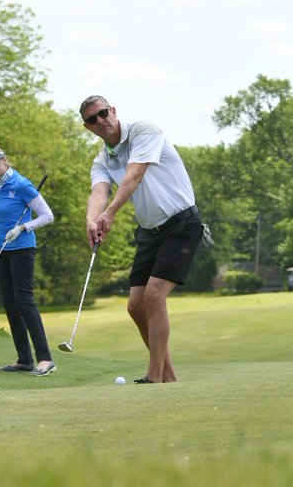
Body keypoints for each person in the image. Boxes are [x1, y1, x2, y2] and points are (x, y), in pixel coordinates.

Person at [80, 95, 208, 383]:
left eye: (102, 113)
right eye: (92, 119)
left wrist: (110, 213)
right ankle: (169, 375)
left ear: (113, 111)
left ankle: (153, 377)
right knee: (135, 306)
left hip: (181, 224)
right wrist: (91, 219)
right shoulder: (101, 160)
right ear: (88, 127)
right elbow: (99, 192)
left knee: (153, 296)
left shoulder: (143, 131)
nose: (100, 121)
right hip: (150, 232)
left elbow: (134, 176)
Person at [0, 146, 57, 376]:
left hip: (22, 249)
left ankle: (45, 359)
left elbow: (47, 216)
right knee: (10, 304)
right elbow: (0, 219)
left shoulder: (21, 184)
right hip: (2, 250)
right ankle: (24, 359)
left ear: (5, 160)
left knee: (24, 302)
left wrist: (23, 227)